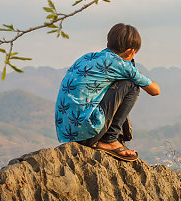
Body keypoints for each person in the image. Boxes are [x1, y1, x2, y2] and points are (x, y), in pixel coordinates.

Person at [54, 23, 161, 160]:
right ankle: (109, 140)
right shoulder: (120, 64)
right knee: (131, 84)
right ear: (130, 52)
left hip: (68, 133)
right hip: (86, 134)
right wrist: (133, 73)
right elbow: (155, 90)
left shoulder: (87, 57)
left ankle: (108, 136)